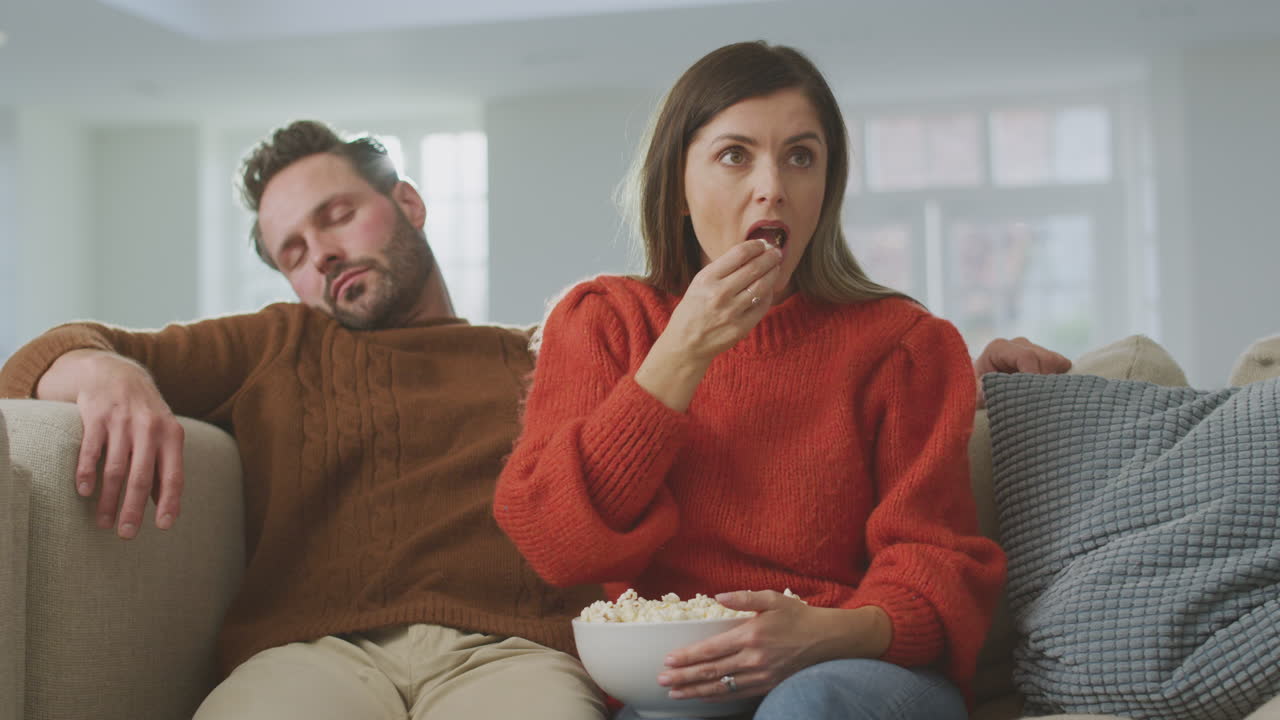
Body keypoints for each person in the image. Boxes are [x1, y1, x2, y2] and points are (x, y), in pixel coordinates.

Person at [493, 41, 1037, 720]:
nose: (772, 185)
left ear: (825, 191)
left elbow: (937, 563)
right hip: (680, 685)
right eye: (735, 155)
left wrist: (824, 635)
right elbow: (553, 543)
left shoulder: (904, 344)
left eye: (801, 156)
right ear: (679, 187)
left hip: (854, 669)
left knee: (806, 706)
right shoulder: (604, 321)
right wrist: (682, 353)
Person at [0, 120, 606, 720]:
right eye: (293, 251)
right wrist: (110, 371)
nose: (322, 254)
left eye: (337, 215)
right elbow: (37, 361)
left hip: (512, 653)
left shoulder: (548, 353)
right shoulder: (277, 342)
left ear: (409, 203)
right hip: (312, 657)